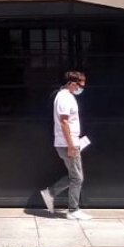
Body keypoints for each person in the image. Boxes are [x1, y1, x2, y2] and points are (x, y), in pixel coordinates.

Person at [40, 70, 91, 220]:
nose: (81, 89)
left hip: (69, 142)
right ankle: (73, 210)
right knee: (77, 178)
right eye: (80, 86)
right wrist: (71, 145)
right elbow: (64, 122)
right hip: (67, 143)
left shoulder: (66, 96)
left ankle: (50, 193)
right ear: (72, 84)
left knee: (75, 176)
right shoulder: (64, 98)